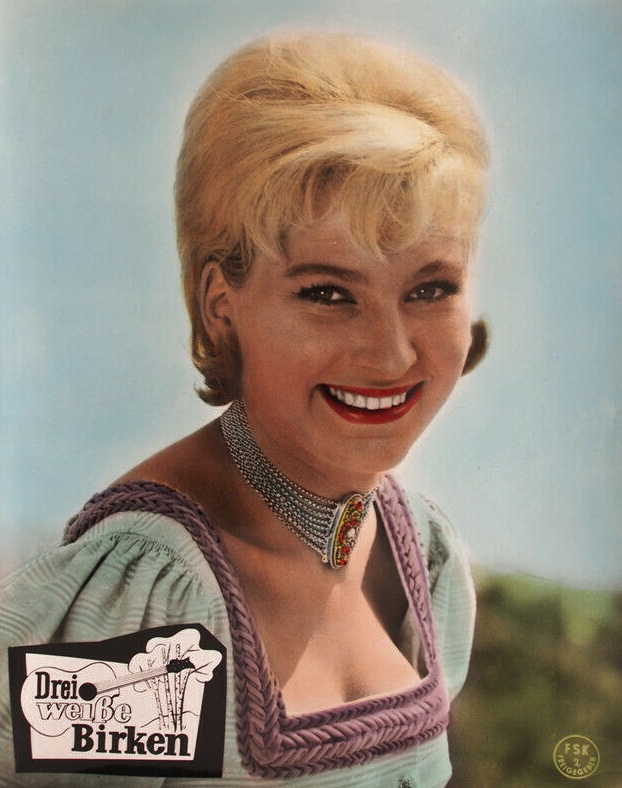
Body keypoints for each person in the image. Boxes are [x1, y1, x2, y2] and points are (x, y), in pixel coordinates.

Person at [0, 32, 489, 786]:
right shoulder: (157, 598)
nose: (393, 355)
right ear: (221, 304)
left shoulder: (421, 553)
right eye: (328, 293)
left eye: (430, 289)